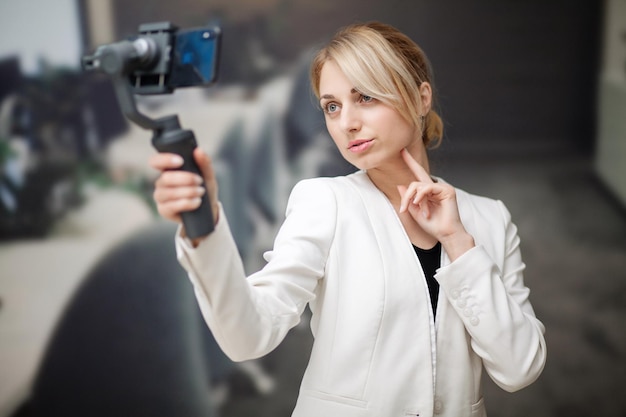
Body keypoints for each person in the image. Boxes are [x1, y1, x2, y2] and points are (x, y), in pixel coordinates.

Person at [149, 21, 546, 417]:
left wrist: (458, 242)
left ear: (422, 97)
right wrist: (205, 228)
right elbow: (248, 336)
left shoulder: (490, 219)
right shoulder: (325, 202)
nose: (346, 123)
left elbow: (520, 368)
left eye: (366, 97)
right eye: (332, 106)